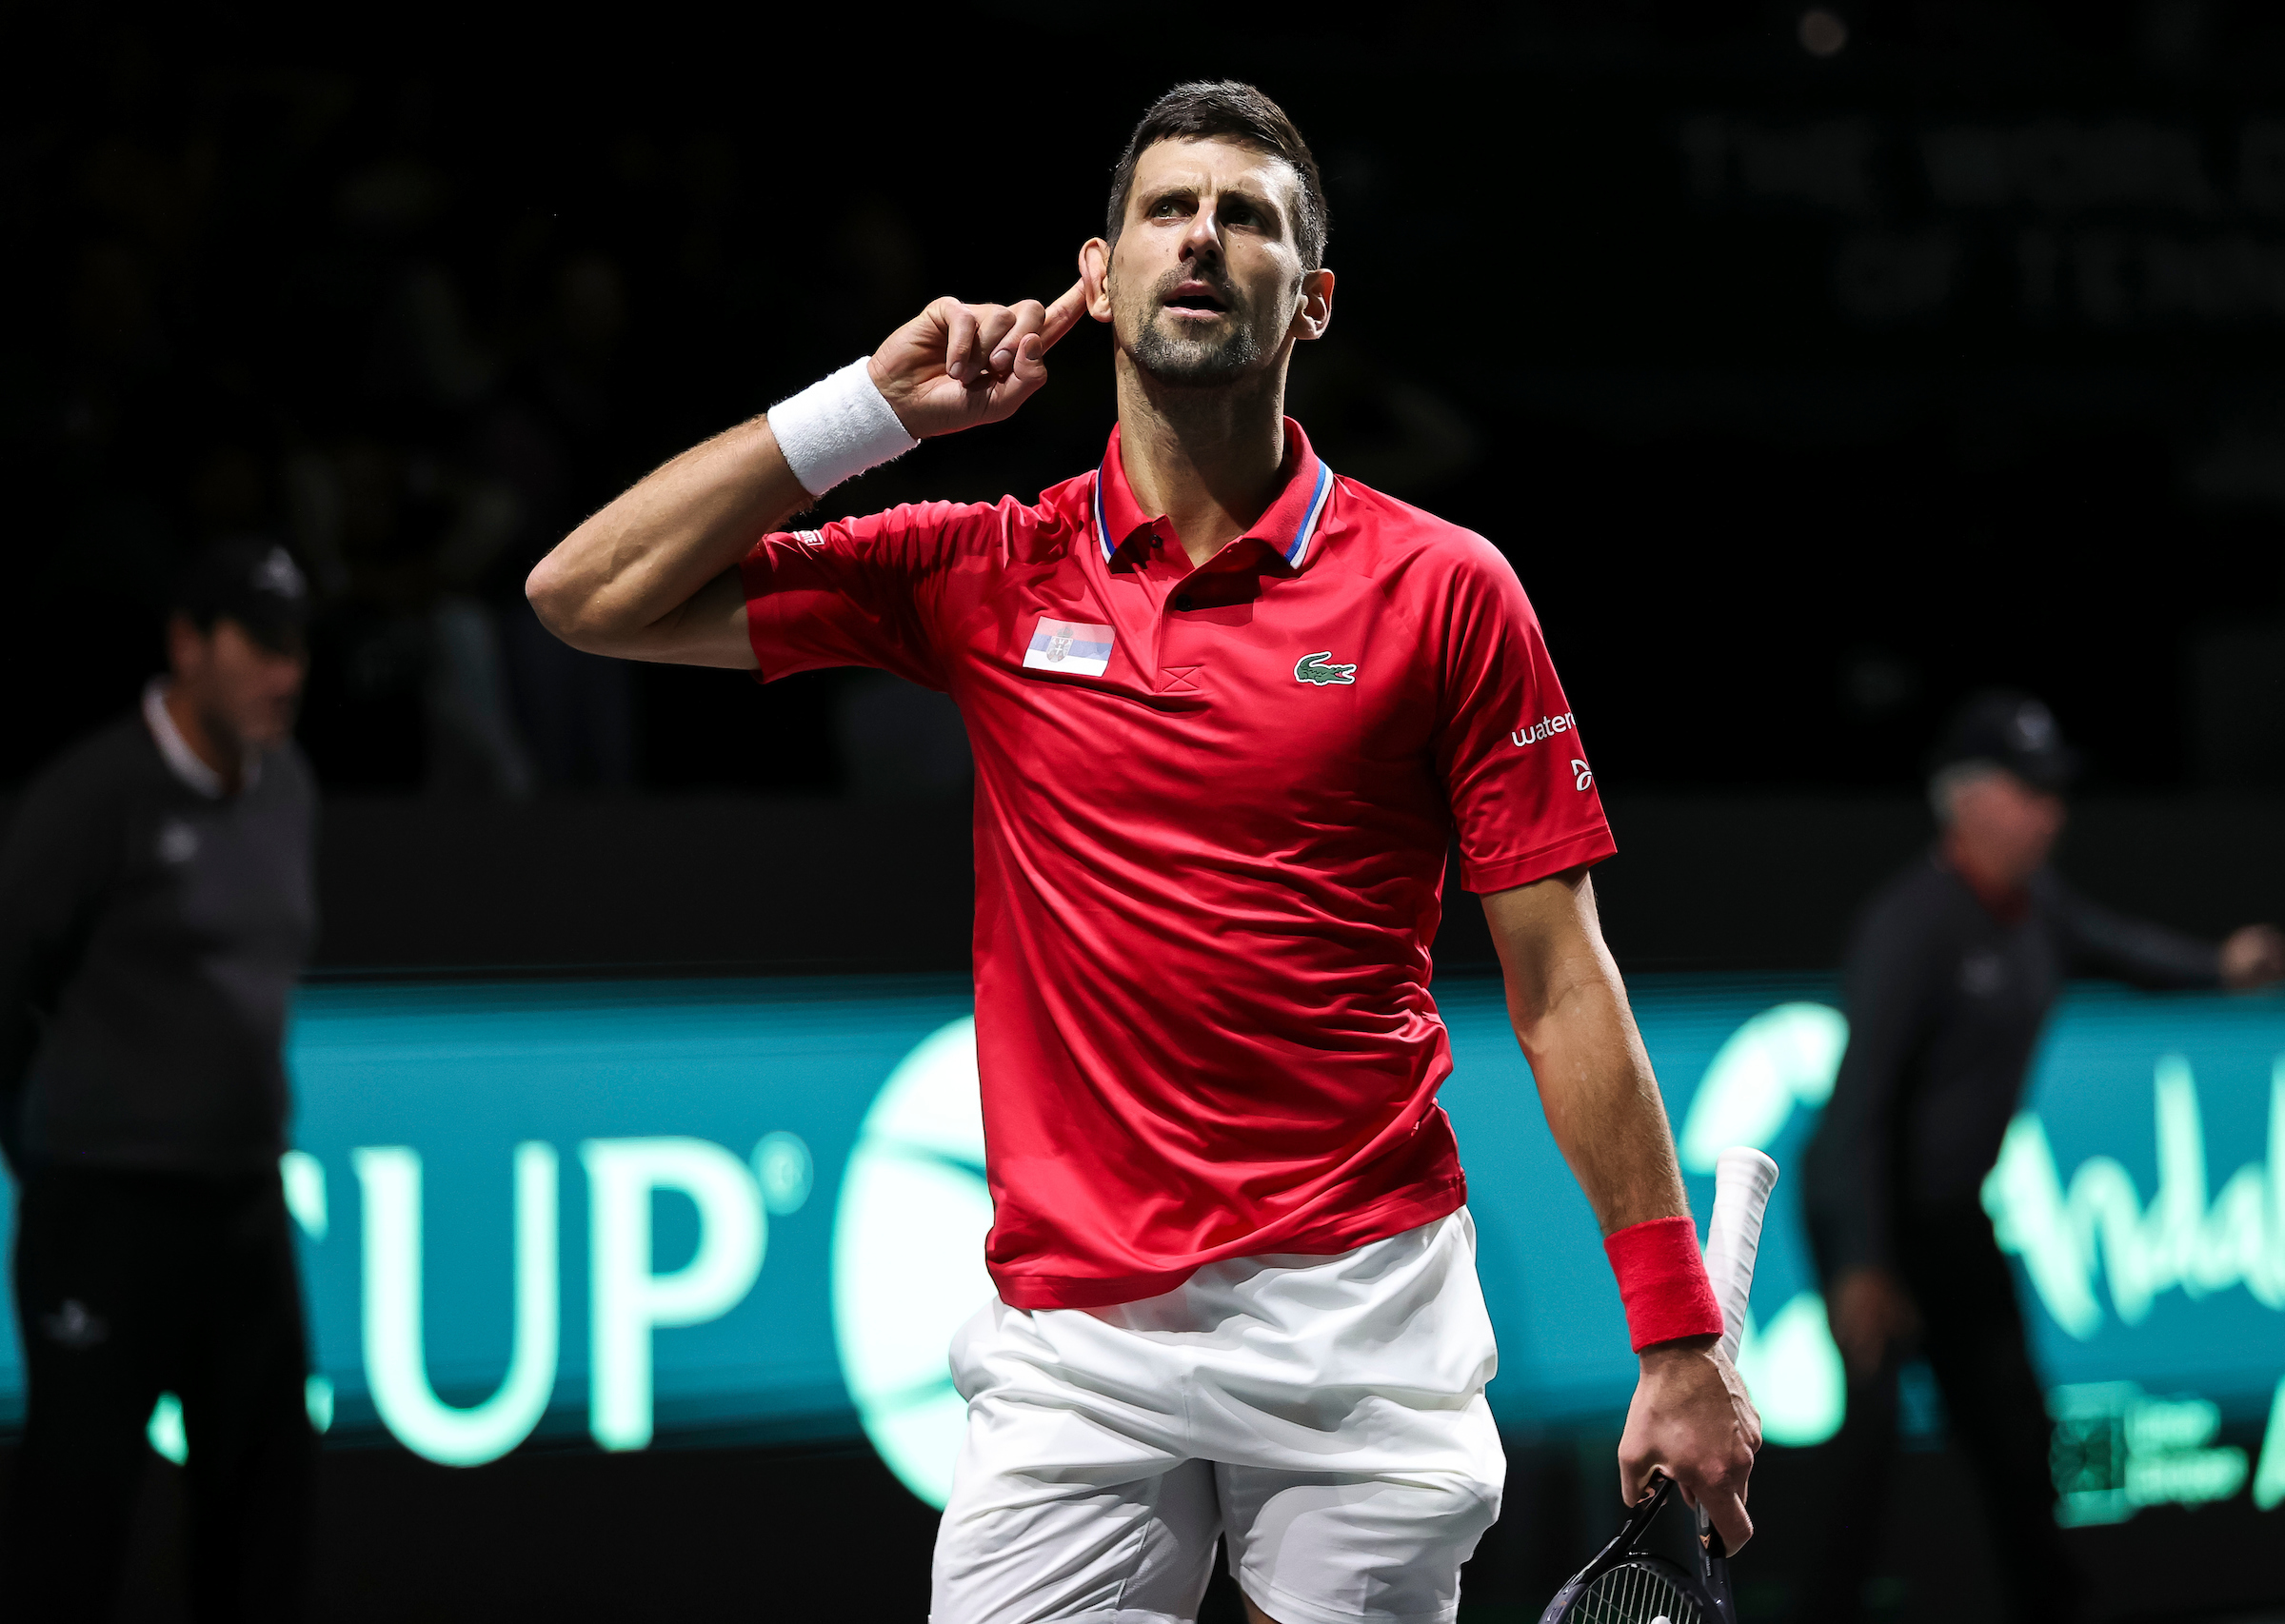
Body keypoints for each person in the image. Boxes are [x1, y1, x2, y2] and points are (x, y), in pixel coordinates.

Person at [527, 82, 1759, 1624]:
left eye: (1247, 219)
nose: (1202, 237)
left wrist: (1675, 1337)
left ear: (1310, 301)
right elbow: (589, 595)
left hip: (1361, 1328)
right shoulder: (983, 568)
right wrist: (878, 410)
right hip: (1075, 1352)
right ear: (1096, 280)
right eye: (1168, 209)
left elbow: (1562, 983)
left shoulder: (1447, 593)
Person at [1800, 690, 2285, 1624]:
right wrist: (1861, 1261)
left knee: (2019, 1436)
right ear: (1970, 800)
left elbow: (2125, 948)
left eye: (2056, 791)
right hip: (1874, 1216)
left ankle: (2055, 1608)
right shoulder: (1912, 923)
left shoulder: (2036, 911)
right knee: (1865, 1456)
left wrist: (2226, 964)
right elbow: (1858, 1103)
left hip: (1955, 1223)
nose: (2051, 812)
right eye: (2030, 791)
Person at [0, 538, 321, 1621]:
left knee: (265, 1515)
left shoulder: (292, 790)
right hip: (103, 1209)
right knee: (74, 1514)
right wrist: (44, 1147)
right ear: (188, 644)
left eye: (298, 649)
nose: (286, 674)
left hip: (244, 1208)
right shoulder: (92, 796)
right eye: (261, 647)